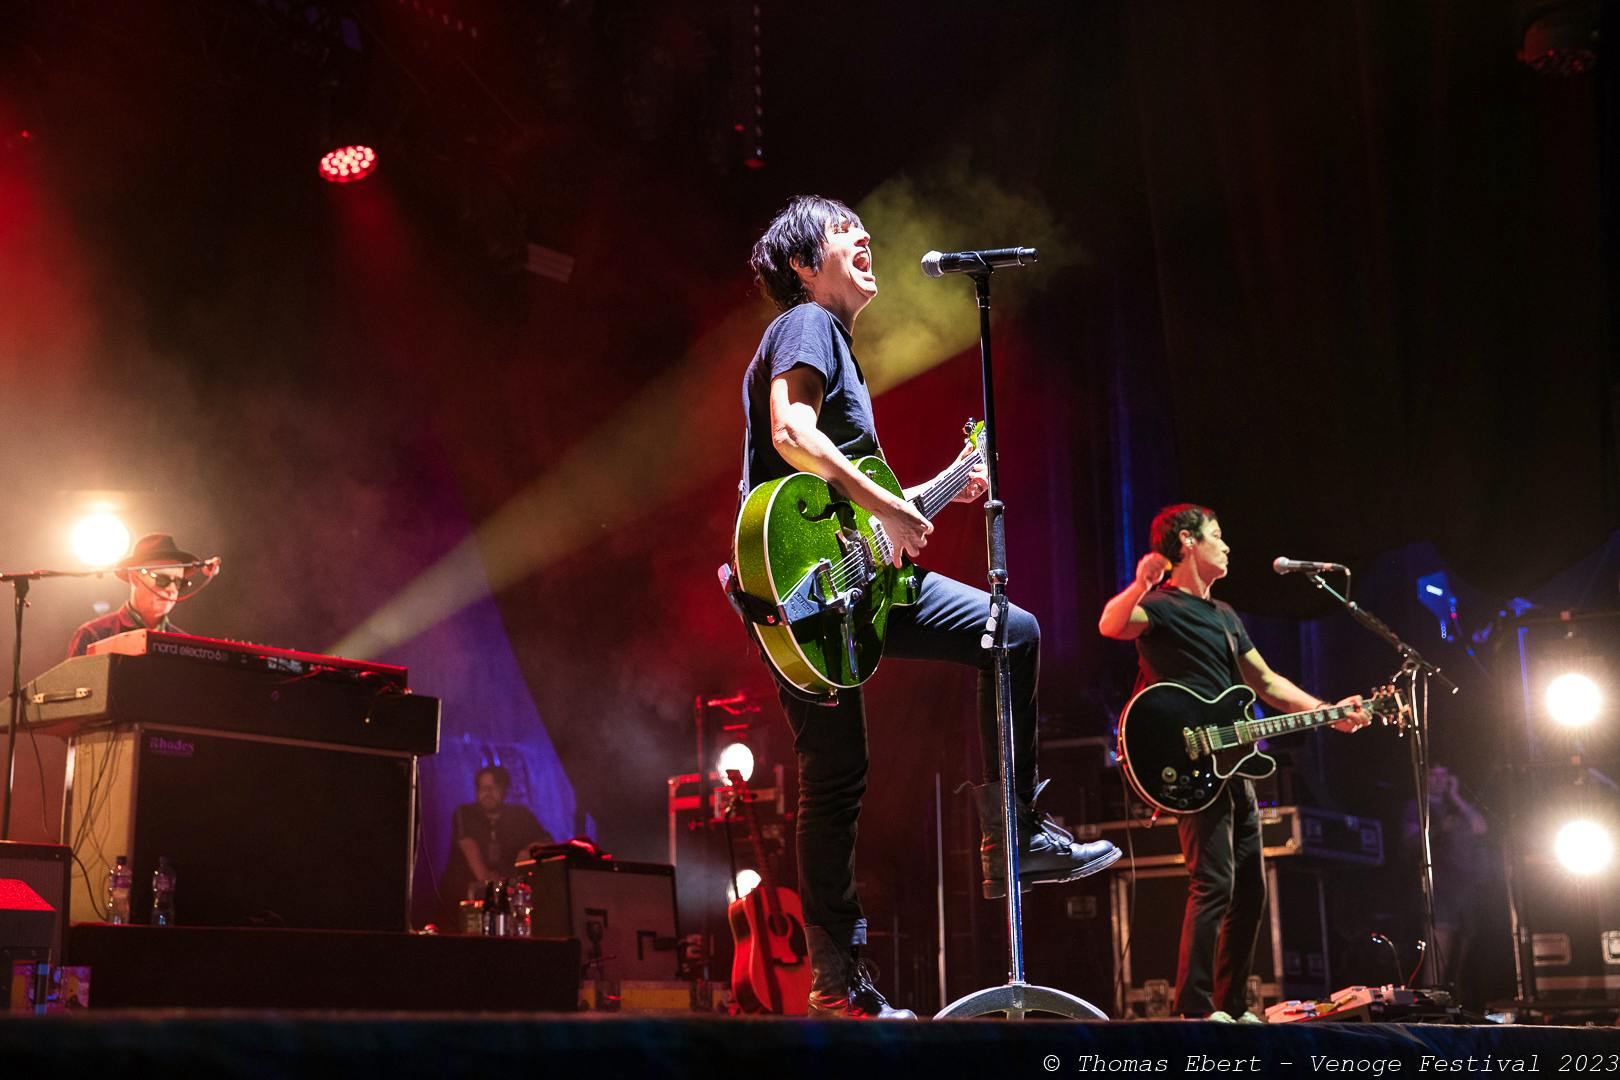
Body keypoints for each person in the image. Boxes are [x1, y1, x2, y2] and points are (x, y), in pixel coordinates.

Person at [739, 195, 1120, 1019]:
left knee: (994, 643)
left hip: (844, 585)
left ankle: (1003, 839)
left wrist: (945, 484)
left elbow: (857, 501)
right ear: (806, 265)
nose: (866, 238)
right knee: (991, 648)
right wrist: (887, 508)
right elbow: (790, 431)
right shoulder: (808, 325)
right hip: (811, 588)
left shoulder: (836, 341)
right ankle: (855, 969)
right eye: (846, 233)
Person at [1098, 503, 1369, 1021]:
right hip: (1188, 757)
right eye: (1216, 536)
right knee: (1213, 880)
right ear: (1186, 543)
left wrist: (1326, 712)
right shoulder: (1160, 604)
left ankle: (1233, 1005)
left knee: (1251, 886)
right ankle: (1195, 1009)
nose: (1227, 546)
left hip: (1234, 760)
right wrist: (1138, 584)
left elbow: (1265, 684)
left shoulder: (1225, 616)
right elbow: (1112, 625)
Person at [68, 532, 217, 657]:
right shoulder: (95, 634)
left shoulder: (185, 643)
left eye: (179, 583)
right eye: (162, 579)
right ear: (135, 577)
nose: (172, 589)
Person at [443, 765, 553, 914]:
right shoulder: (465, 813)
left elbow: (547, 842)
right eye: (483, 787)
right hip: (464, 902)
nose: (487, 793)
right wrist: (488, 881)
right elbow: (468, 846)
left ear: (504, 790)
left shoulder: (519, 815)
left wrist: (528, 851)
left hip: (507, 901)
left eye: (493, 787)